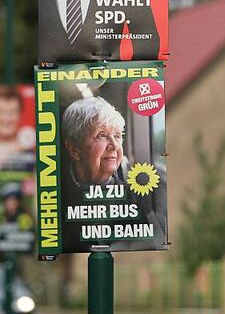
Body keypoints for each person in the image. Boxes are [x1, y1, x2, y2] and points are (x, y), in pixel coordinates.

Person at [60, 96, 167, 252]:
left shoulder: (142, 184)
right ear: (74, 149)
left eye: (117, 136)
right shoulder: (57, 191)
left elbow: (157, 241)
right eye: (101, 135)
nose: (115, 145)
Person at [0, 87, 35, 171]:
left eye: (12, 112)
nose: (6, 119)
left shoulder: (34, 152)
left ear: (20, 115)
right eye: (0, 112)